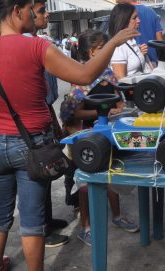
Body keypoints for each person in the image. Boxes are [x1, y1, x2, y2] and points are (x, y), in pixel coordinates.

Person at [0, 0, 138, 271]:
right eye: (30, 9)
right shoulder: (37, 46)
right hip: (29, 145)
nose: (32, 14)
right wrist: (113, 42)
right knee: (32, 220)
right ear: (16, 11)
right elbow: (85, 73)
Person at [59, 29, 139, 247]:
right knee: (85, 184)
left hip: (108, 134)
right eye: (105, 47)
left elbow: (119, 101)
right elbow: (74, 113)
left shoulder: (109, 74)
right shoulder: (81, 78)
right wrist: (101, 113)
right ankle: (86, 226)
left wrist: (120, 108)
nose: (110, 51)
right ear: (93, 52)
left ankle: (116, 216)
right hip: (87, 136)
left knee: (111, 175)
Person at [22, 0, 69, 248]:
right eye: (41, 10)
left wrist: (55, 123)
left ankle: (48, 221)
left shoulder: (41, 42)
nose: (46, 14)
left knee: (47, 170)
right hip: (32, 127)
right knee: (38, 178)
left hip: (46, 117)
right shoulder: (28, 47)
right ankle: (42, 230)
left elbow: (48, 95)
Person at [115, 0, 164, 66]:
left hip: (131, 63)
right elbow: (160, 41)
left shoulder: (121, 15)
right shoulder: (152, 12)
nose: (116, 0)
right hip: (153, 62)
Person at [109, 3, 152, 79]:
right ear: (123, 21)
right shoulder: (119, 47)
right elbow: (121, 81)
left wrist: (141, 53)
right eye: (134, 18)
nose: (139, 20)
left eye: (138, 17)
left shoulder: (131, 41)